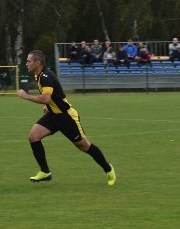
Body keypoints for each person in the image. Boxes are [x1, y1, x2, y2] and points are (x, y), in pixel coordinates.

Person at [17, 49, 116, 186]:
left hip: (66, 117)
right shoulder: (40, 75)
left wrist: (26, 96)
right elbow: (54, 95)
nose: (26, 63)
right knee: (33, 137)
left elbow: (45, 98)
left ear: (37, 63)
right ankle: (45, 172)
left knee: (84, 146)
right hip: (53, 115)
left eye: (29, 61)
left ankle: (108, 169)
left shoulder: (45, 77)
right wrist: (50, 105)